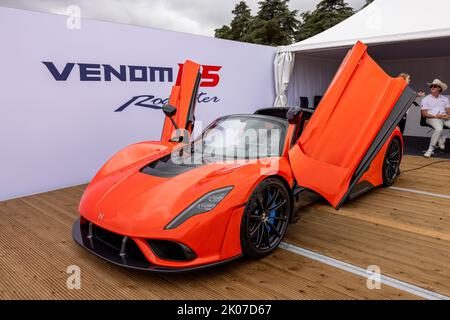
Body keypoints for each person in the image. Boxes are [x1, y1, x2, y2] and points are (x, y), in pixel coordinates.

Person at [421, 79, 450, 158]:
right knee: (439, 128)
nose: (432, 87)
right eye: (431, 86)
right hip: (432, 118)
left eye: (435, 86)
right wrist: (436, 116)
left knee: (440, 127)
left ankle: (443, 138)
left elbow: (448, 111)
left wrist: (448, 115)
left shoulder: (445, 99)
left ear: (439, 88)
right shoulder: (425, 99)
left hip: (444, 118)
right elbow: (424, 114)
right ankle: (430, 150)